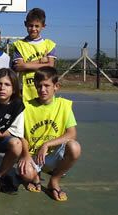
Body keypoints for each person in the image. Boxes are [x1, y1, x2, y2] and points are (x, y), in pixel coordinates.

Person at [18, 66, 81, 201]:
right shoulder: (25, 107)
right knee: (26, 174)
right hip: (33, 155)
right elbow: (20, 135)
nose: (43, 90)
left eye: (47, 85)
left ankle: (54, 180)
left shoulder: (64, 106)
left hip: (53, 154)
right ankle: (35, 175)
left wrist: (47, 144)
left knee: (75, 147)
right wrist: (26, 155)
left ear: (56, 86)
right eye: (39, 86)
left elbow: (72, 133)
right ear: (35, 86)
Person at [13, 8, 56, 101]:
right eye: (30, 25)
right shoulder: (19, 45)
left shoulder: (49, 45)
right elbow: (18, 67)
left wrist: (25, 65)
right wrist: (40, 61)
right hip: (25, 91)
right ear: (25, 24)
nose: (33, 29)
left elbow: (50, 66)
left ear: (43, 26)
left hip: (44, 91)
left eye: (37, 26)